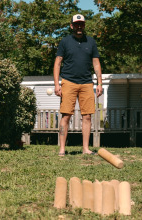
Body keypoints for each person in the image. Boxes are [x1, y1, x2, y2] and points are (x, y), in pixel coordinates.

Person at [53, 14, 103, 156]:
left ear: (84, 25)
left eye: (81, 24)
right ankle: (62, 149)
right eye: (76, 24)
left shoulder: (91, 42)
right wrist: (57, 84)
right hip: (68, 82)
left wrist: (100, 83)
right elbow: (57, 63)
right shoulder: (65, 41)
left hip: (87, 83)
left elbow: (96, 63)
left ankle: (86, 149)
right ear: (71, 26)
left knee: (87, 116)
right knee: (66, 115)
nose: (79, 26)